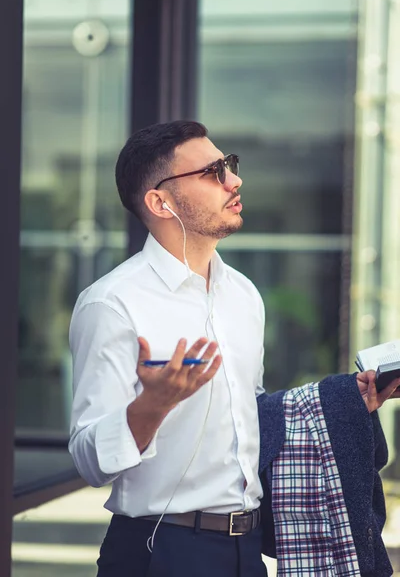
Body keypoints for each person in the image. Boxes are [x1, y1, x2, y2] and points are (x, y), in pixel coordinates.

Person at [68, 120, 400, 577]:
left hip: (246, 552)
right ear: (160, 201)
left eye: (230, 165)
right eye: (212, 172)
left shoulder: (243, 294)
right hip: (159, 550)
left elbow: (251, 414)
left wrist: (345, 400)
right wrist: (152, 406)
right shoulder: (112, 304)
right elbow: (88, 459)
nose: (234, 180)